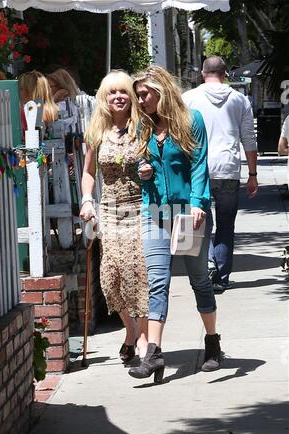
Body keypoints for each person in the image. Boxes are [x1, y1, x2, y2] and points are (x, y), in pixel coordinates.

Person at [128, 65, 221, 384]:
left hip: (185, 213)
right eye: (137, 95)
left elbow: (199, 165)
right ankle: (153, 353)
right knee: (157, 280)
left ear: (161, 91)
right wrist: (140, 170)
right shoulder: (142, 125)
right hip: (154, 211)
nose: (140, 101)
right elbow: (140, 162)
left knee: (198, 278)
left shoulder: (190, 120)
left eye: (144, 95)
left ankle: (212, 342)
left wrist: (197, 203)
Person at [80, 70, 149, 363]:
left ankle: (145, 341)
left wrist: (149, 171)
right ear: (104, 98)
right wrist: (86, 199)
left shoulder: (143, 128)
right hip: (109, 210)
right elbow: (88, 173)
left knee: (139, 274)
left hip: (140, 208)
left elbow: (157, 162)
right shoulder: (97, 133)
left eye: (123, 92)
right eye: (112, 92)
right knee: (111, 277)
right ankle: (130, 329)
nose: (118, 97)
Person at [182, 56, 258, 292]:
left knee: (196, 223)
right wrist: (253, 174)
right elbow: (249, 139)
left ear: (203, 74)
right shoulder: (239, 100)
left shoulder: (188, 98)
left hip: (196, 169)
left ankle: (201, 273)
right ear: (225, 74)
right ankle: (221, 277)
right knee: (226, 225)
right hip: (227, 167)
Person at [19, 70, 59, 138]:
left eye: (21, 88)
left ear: (30, 92)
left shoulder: (31, 113)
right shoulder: (51, 110)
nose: (18, 91)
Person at [46, 68, 80, 135]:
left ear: (61, 87)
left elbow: (44, 119)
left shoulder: (62, 105)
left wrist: (54, 99)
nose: (47, 90)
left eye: (50, 87)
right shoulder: (69, 102)